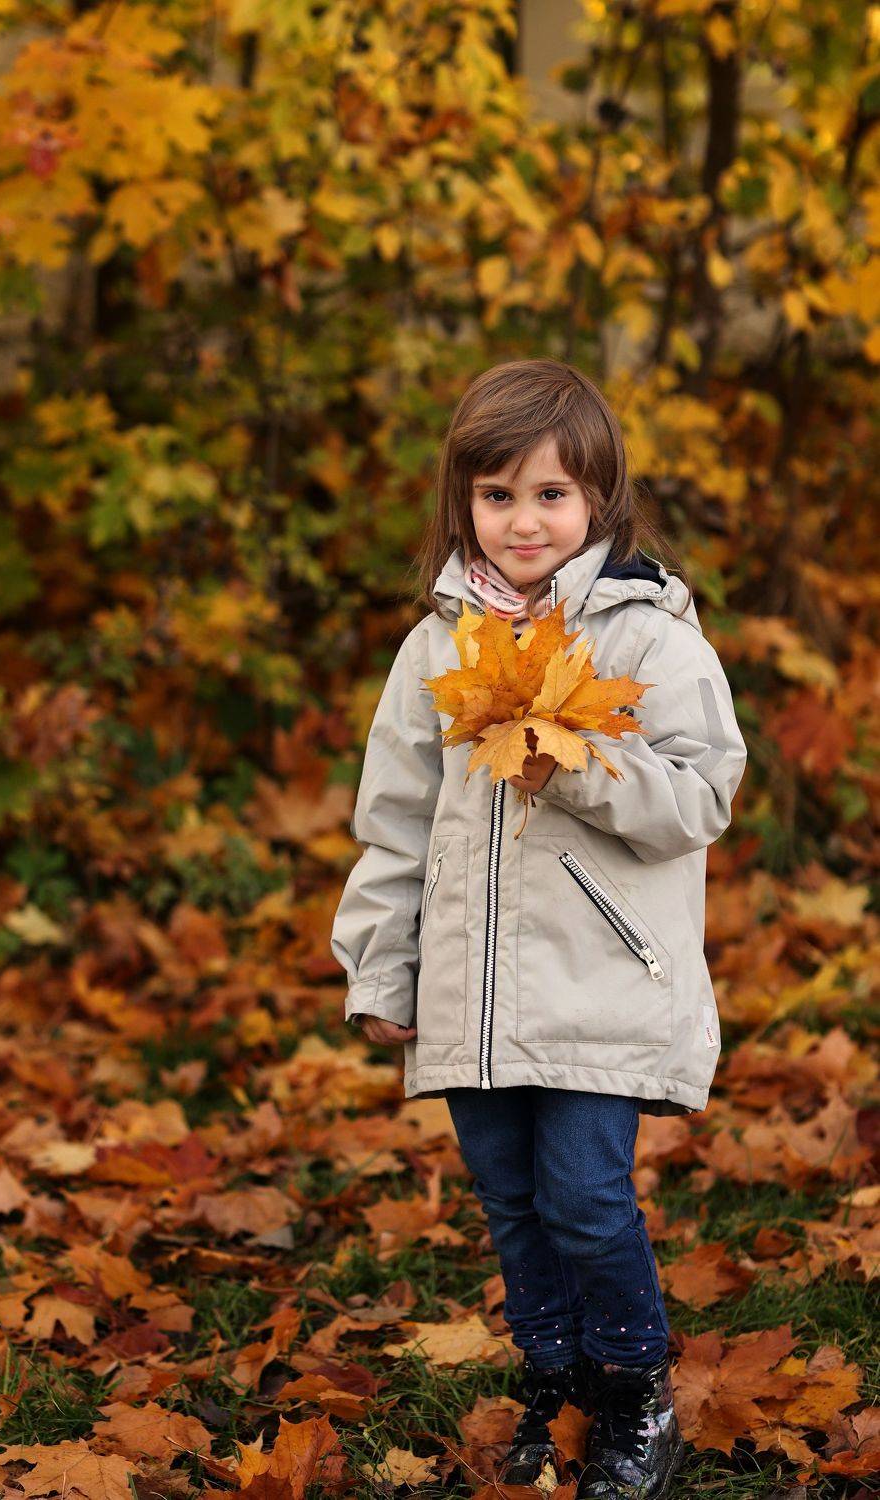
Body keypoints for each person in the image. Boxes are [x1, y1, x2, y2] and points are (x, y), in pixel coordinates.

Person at [329, 358, 748, 1498]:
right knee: (511, 1202)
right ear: (462, 501)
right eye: (497, 494)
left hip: (597, 981)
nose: (523, 521)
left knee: (583, 1197)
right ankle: (554, 1376)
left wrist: (573, 765)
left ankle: (632, 1392)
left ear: (599, 499)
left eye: (551, 494)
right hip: (469, 992)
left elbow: (699, 797)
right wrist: (382, 966)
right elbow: (395, 823)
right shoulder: (436, 648)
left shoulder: (647, 636)